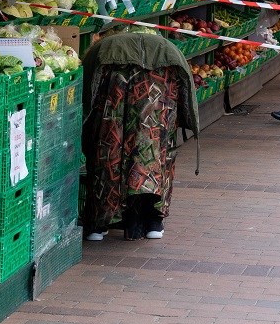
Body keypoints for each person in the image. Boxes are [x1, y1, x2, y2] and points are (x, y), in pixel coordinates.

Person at [82, 27, 199, 241]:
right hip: (157, 111)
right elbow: (184, 95)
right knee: (153, 153)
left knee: (108, 154)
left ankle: (99, 223)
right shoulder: (168, 51)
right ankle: (153, 219)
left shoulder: (102, 50)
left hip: (112, 115)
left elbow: (88, 94)